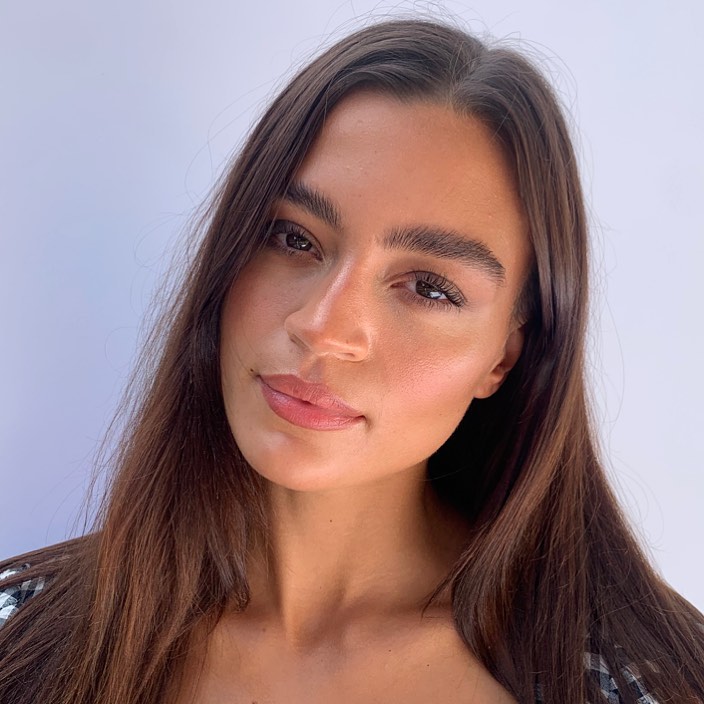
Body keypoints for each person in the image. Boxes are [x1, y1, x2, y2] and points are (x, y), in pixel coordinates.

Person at [0, 17, 702, 704]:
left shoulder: (637, 684)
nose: (322, 327)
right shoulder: (21, 637)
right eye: (294, 239)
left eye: (429, 287)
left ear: (503, 358)